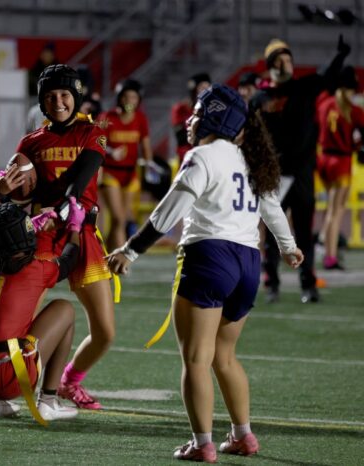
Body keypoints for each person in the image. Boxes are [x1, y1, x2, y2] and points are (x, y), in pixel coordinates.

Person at [107, 84, 303, 463]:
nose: (190, 120)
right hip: (248, 262)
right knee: (224, 357)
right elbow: (272, 207)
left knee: (196, 359)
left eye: (197, 113)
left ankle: (202, 443)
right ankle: (243, 436)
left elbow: (168, 211)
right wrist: (288, 245)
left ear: (213, 118)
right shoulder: (250, 159)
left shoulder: (202, 155)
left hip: (209, 256)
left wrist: (130, 250)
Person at [0, 64, 113, 410]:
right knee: (17, 315)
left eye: (64, 95)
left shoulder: (94, 133)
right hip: (42, 234)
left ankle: (69, 382)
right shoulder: (30, 142)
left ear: (76, 97)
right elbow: (14, 190)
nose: (58, 101)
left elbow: (81, 179)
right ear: (42, 102)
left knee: (105, 332)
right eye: (50, 96)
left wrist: (63, 207)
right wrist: (1, 191)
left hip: (82, 233)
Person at [0, 200, 85, 421]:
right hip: (4, 377)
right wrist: (75, 228)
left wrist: (26, 229)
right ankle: (48, 401)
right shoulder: (35, 270)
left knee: (0, 323)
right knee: (64, 309)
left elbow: (3, 251)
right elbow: (69, 260)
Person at [251, 36, 350, 303]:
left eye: (289, 59)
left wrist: (341, 55)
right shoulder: (260, 98)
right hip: (274, 175)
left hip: (303, 172)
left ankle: (308, 284)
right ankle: (272, 283)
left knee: (305, 232)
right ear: (271, 64)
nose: (287, 64)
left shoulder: (303, 88)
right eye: (280, 60)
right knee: (273, 233)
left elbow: (327, 77)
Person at [316, 65, 364, 270]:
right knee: (337, 212)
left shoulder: (324, 103)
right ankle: (329, 255)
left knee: (330, 209)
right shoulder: (353, 110)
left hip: (323, 159)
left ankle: (322, 240)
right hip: (341, 162)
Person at [97, 78, 153, 251]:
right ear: (119, 98)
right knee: (119, 218)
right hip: (110, 172)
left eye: (133, 97)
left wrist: (149, 167)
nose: (129, 101)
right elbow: (95, 144)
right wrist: (111, 152)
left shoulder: (140, 119)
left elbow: (145, 146)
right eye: (126, 97)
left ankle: (106, 254)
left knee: (121, 220)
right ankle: (118, 259)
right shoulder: (107, 117)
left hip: (131, 174)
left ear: (139, 100)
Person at [171, 72, 211, 163]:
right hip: (187, 157)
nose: (206, 92)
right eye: (202, 88)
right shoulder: (180, 109)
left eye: (208, 88)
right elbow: (181, 138)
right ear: (194, 91)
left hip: (206, 157)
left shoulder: (211, 110)